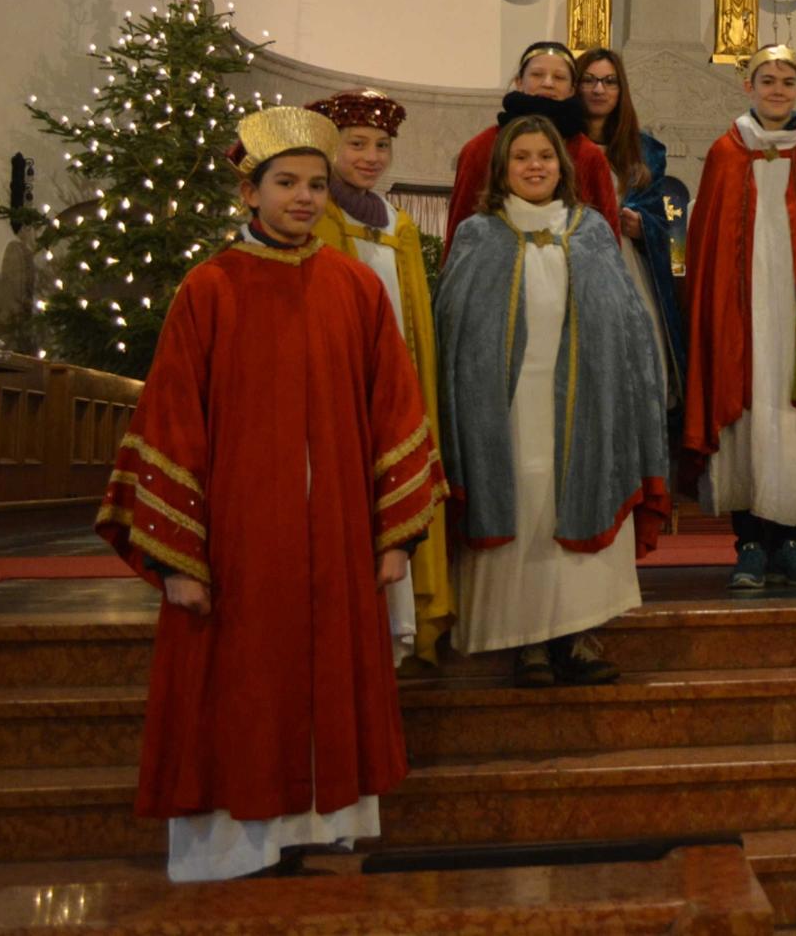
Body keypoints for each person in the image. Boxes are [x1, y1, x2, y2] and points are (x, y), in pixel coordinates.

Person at [95, 106, 438, 881]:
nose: (305, 198)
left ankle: (327, 830)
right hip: (238, 542)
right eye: (286, 183)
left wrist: (392, 535)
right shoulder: (208, 289)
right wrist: (178, 556)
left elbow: (396, 411)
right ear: (248, 192)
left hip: (341, 536)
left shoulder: (353, 287)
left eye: (316, 185)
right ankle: (231, 849)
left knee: (327, 676)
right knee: (243, 683)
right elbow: (173, 421)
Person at [435, 114, 669, 689]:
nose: (534, 166)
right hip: (504, 412)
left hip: (585, 407)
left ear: (561, 168)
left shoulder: (590, 231)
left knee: (575, 503)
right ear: (502, 168)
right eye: (521, 157)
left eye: (544, 156)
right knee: (523, 512)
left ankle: (579, 636)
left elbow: (627, 328)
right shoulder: (477, 235)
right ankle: (527, 642)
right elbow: (453, 335)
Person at [683, 43, 796, 592]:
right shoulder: (725, 152)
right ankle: (750, 543)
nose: (777, 89)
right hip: (743, 309)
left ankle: (791, 542)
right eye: (767, 80)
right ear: (748, 87)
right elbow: (707, 241)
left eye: (787, 81)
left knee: (795, 420)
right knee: (747, 415)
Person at [306, 87, 452, 670]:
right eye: (357, 143)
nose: (371, 155)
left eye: (382, 146)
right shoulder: (317, 215)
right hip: (340, 389)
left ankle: (399, 624)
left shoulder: (397, 223)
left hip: (395, 387)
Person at [576, 47, 688, 400]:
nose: (599, 89)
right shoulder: (559, 145)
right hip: (576, 265)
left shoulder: (645, 151)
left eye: (609, 81)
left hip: (630, 264)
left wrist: (645, 227)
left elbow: (670, 229)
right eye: (590, 80)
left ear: (621, 90)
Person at [445, 41, 620, 254]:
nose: (548, 83)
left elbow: (607, 243)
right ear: (519, 82)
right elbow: (460, 235)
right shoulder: (481, 149)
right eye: (537, 75)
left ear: (572, 88)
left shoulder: (589, 156)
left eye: (559, 77)